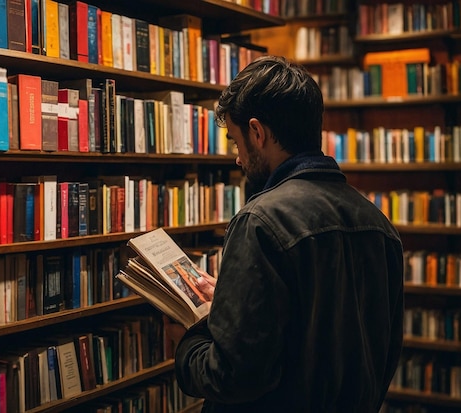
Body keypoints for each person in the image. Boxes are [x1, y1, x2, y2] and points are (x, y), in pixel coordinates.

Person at [173, 56, 404, 412]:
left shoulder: (260, 221)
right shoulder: (378, 224)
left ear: (257, 132)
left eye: (236, 143)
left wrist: (194, 337)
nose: (238, 159)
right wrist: (232, 303)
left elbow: (232, 376)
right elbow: (381, 352)